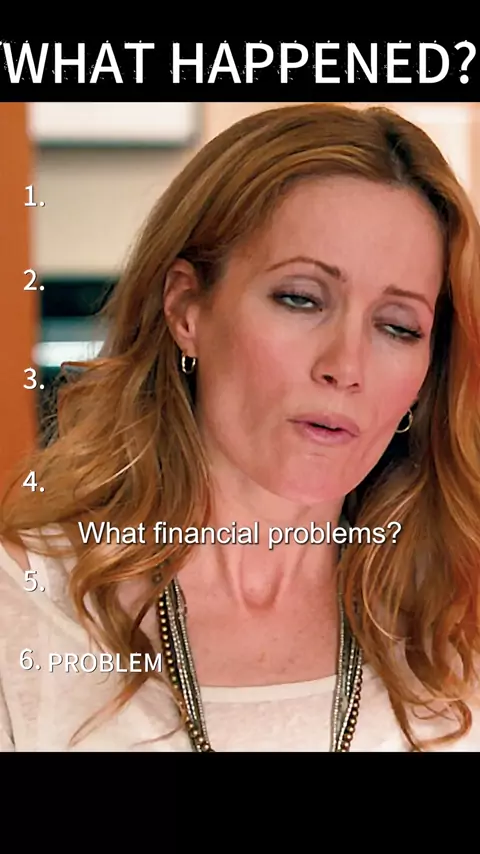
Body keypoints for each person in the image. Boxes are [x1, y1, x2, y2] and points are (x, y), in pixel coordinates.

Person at [1, 102, 480, 753]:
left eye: (397, 326)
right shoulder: (21, 610)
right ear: (186, 309)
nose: (346, 367)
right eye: (300, 298)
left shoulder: (457, 626)